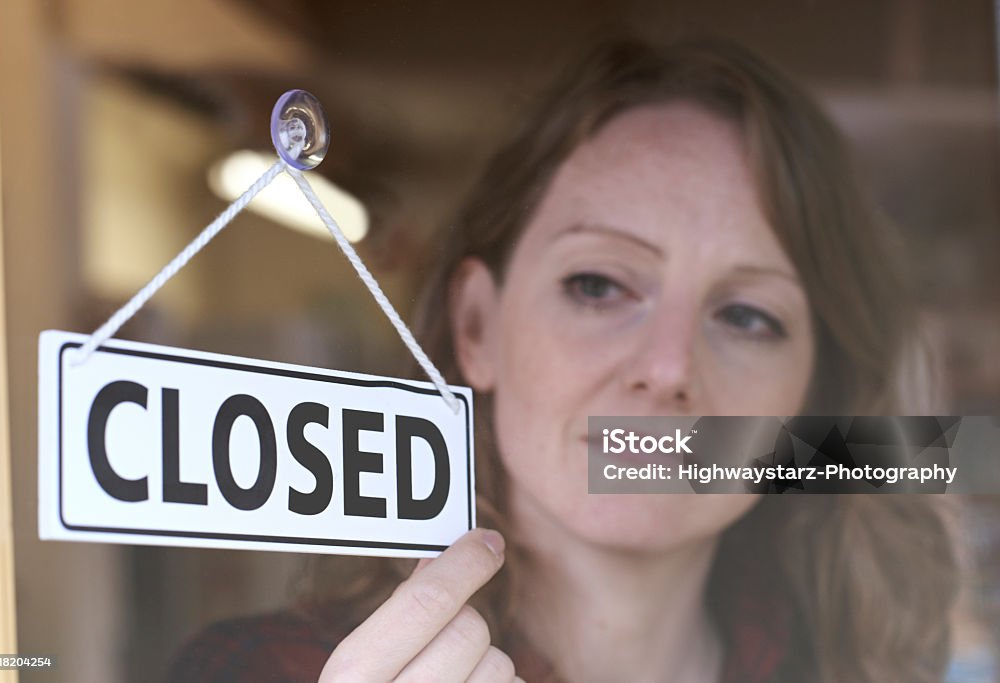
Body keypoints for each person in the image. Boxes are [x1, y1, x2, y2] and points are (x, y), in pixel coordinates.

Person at [169, 39, 959, 683]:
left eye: (748, 315)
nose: (668, 366)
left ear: (814, 392)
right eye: (597, 284)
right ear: (477, 327)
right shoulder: (261, 671)